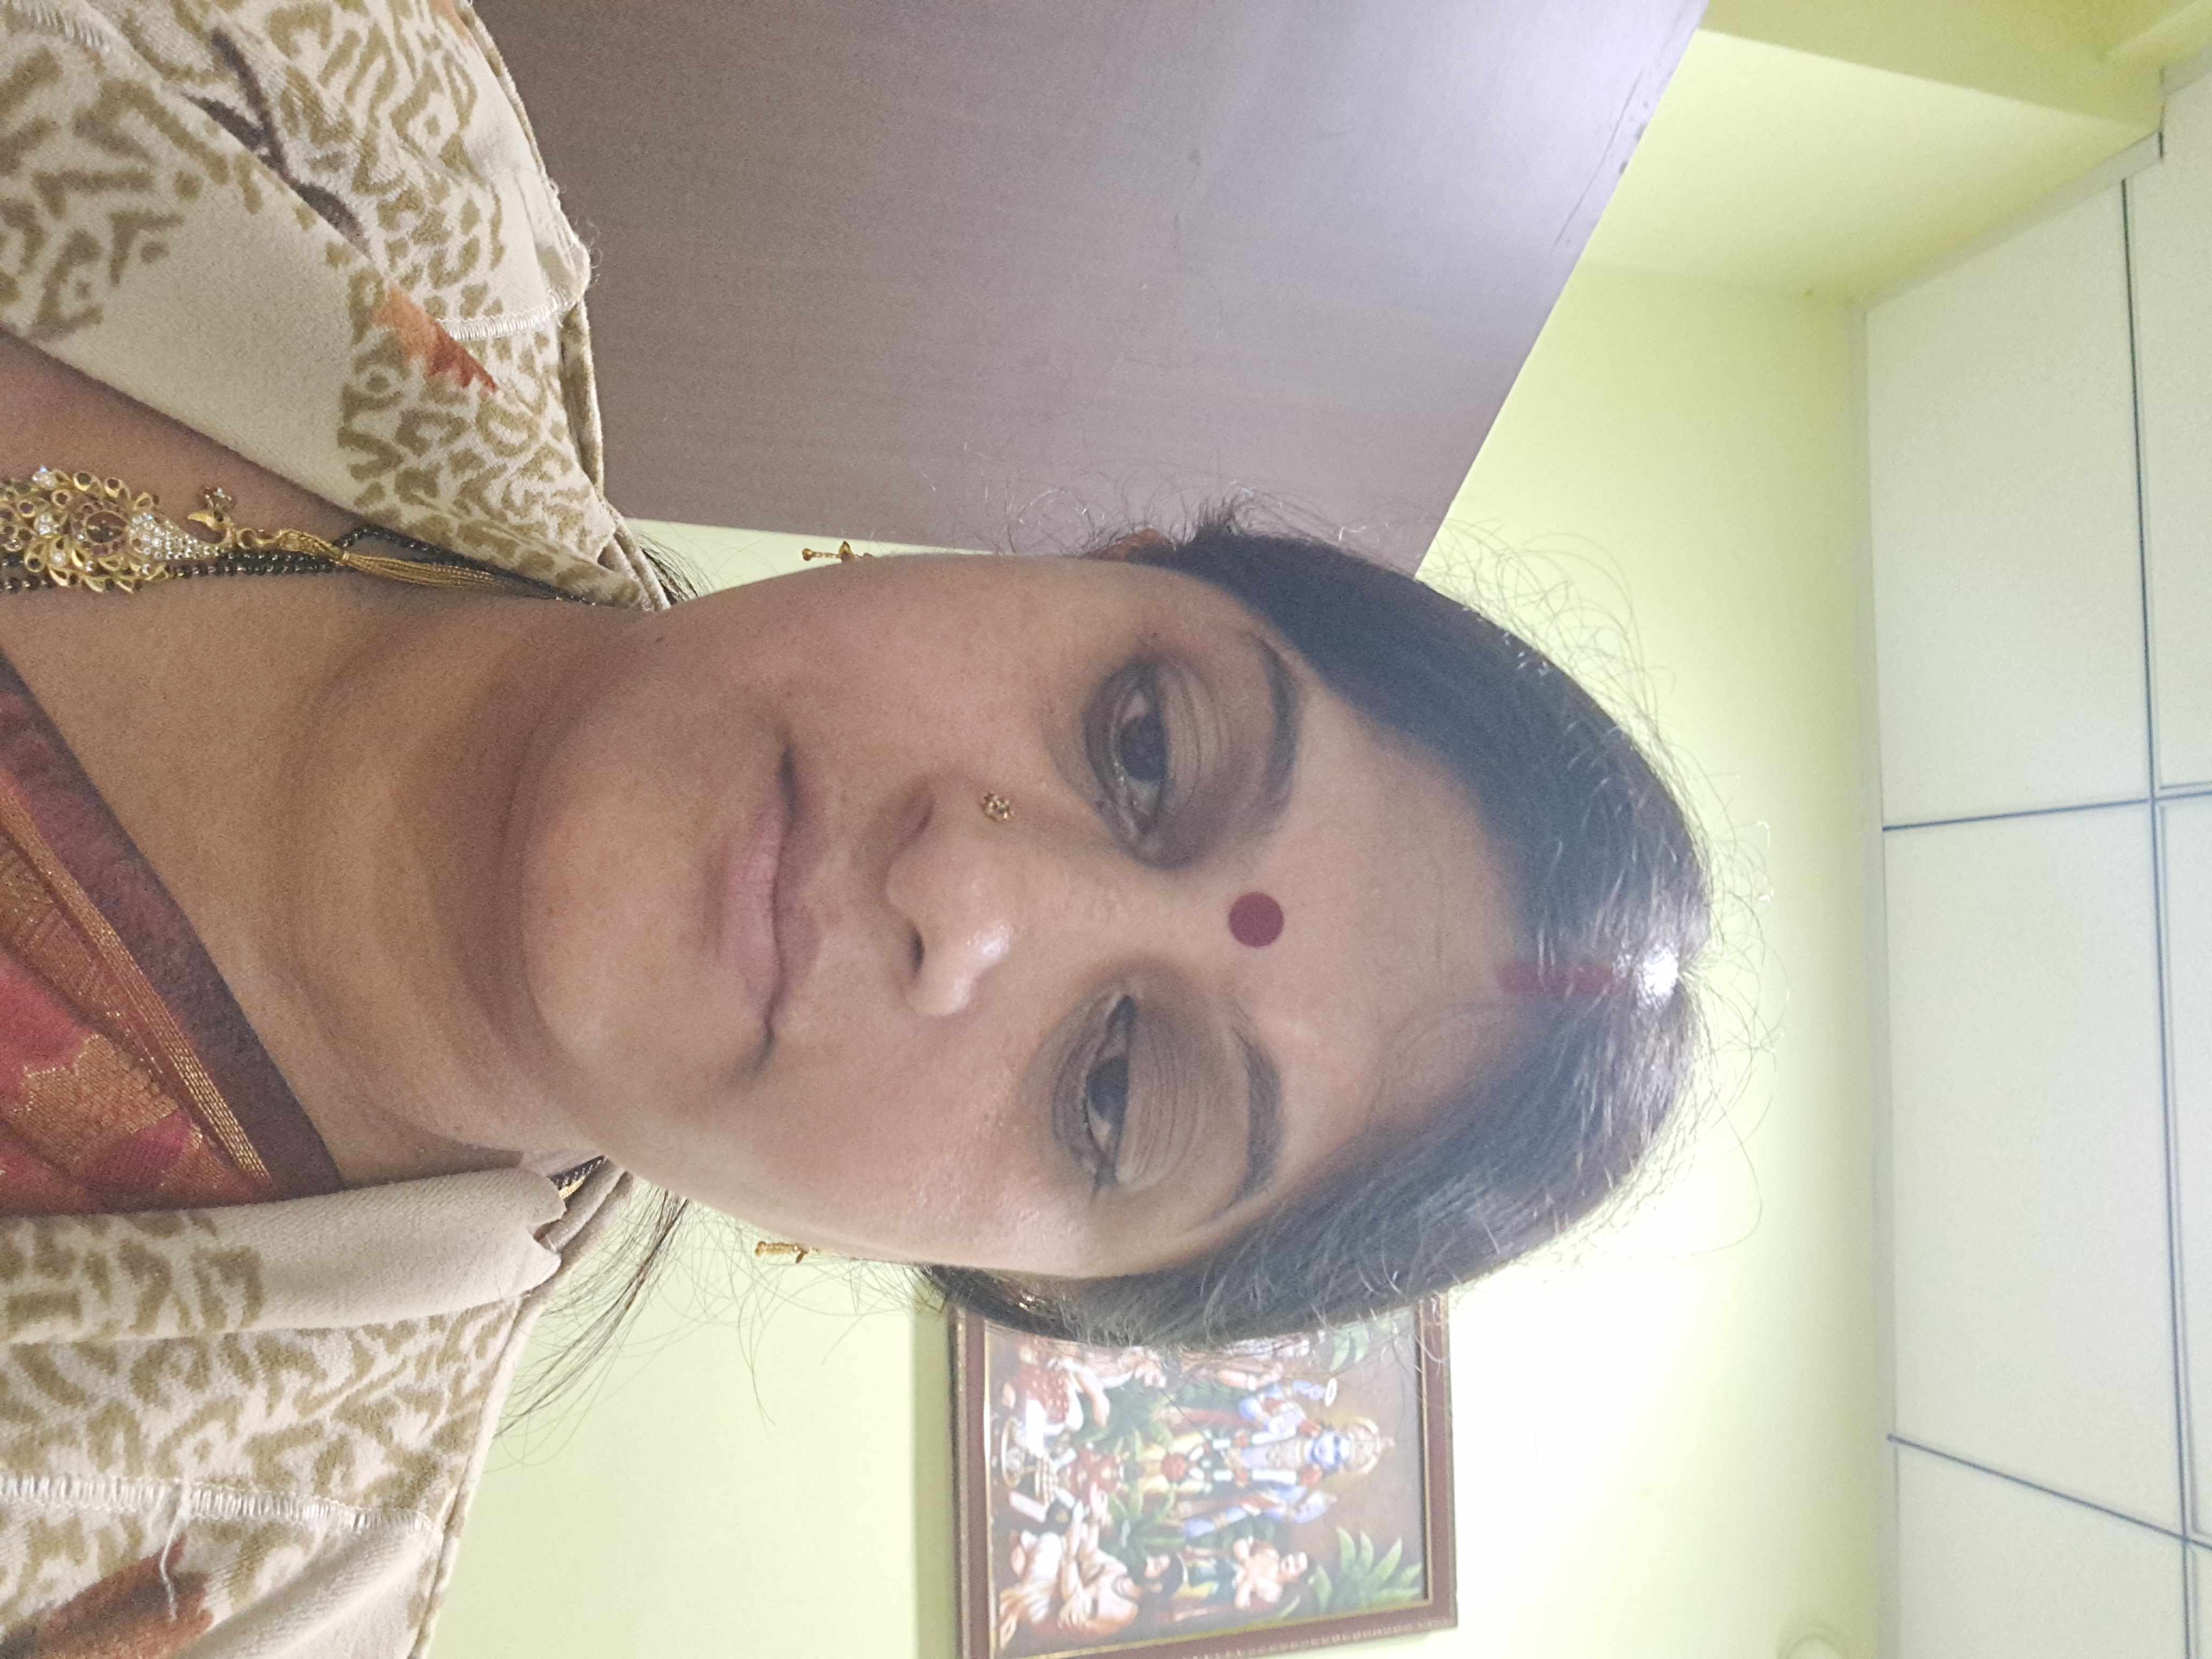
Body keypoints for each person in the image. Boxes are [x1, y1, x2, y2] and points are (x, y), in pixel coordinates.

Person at [0, 1, 1710, 1653]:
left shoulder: (191, 1587)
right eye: (1141, 745)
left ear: (1014, 1288)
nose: (965, 890)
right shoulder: (374, 145)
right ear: (1096, 566)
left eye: (1116, 1091)